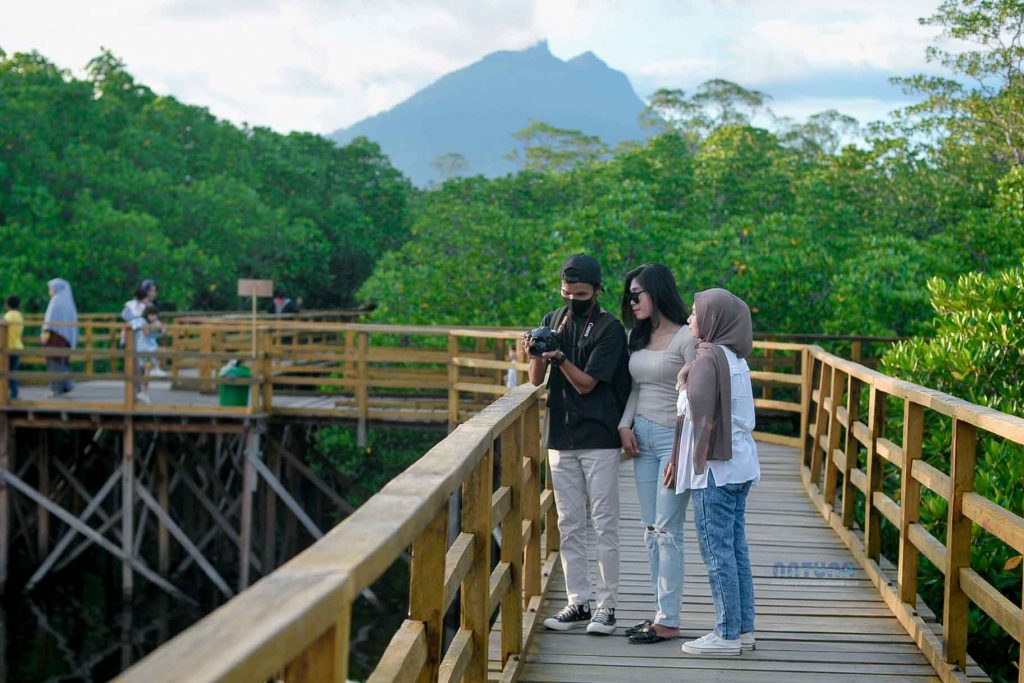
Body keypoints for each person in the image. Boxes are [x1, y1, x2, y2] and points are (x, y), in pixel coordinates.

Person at [524, 254, 630, 635]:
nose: (573, 299)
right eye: (567, 293)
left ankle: (608, 606)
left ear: (597, 290)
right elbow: (536, 380)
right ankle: (577, 601)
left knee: (604, 524)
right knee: (568, 522)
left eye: (581, 293)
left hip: (599, 437)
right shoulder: (554, 319)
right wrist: (535, 353)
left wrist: (560, 356)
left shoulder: (610, 329)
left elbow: (586, 384)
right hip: (560, 436)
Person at [667, 288, 760, 656]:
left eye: (695, 313)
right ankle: (743, 629)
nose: (690, 318)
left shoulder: (708, 361)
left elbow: (697, 416)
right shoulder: (734, 358)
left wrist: (688, 463)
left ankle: (725, 633)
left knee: (717, 551)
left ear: (714, 321)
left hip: (716, 471)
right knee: (736, 550)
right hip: (741, 464)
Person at [616, 264, 698, 644]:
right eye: (629, 296)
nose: (631, 302)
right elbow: (635, 388)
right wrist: (624, 425)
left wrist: (681, 453)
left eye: (638, 294)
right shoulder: (638, 336)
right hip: (642, 439)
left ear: (658, 292)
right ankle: (659, 615)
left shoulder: (686, 339)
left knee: (668, 531)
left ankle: (670, 620)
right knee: (651, 531)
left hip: (674, 439)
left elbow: (695, 401)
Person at [42, 278, 78, 397]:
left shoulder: (55, 301)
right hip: (65, 338)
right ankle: (66, 385)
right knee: (62, 363)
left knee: (54, 363)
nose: (50, 291)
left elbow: (49, 321)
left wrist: (44, 335)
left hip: (54, 337)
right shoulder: (69, 302)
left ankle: (57, 389)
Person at [132, 305, 164, 404]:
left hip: (150, 348)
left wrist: (158, 328)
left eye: (155, 315)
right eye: (151, 315)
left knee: (146, 370)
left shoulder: (157, 323)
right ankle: (140, 393)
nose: (153, 317)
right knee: (140, 371)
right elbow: (145, 332)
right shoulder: (141, 320)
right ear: (147, 314)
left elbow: (161, 332)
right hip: (141, 348)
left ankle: (144, 392)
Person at [4, 295, 24, 399]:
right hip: (18, 346)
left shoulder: (8, 316)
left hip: (8, 347)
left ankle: (7, 394)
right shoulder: (19, 315)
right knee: (14, 372)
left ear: (7, 305)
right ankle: (14, 393)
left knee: (6, 372)